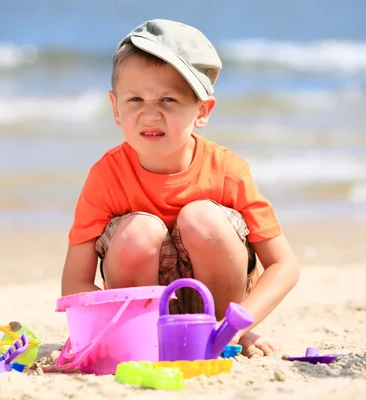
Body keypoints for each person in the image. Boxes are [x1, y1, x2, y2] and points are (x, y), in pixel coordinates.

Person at [60, 19, 299, 357]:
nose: (150, 115)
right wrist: (104, 331)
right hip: (140, 315)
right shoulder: (105, 176)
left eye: (168, 99)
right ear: (115, 107)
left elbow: (284, 265)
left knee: (203, 218)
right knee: (139, 230)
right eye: (136, 99)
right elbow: (74, 283)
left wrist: (240, 326)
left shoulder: (227, 170)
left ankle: (217, 334)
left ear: (202, 111)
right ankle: (142, 334)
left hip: (220, 315)